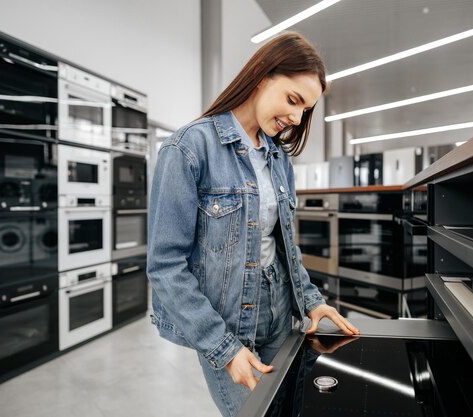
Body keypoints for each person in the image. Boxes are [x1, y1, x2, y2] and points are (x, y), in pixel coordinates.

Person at [147, 32, 359, 417]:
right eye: (293, 100)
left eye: (305, 109)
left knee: (289, 410)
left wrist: (312, 302)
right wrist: (223, 348)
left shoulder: (278, 159)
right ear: (261, 76)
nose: (296, 118)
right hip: (226, 321)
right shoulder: (188, 148)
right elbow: (165, 267)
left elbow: (283, 245)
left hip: (281, 309)